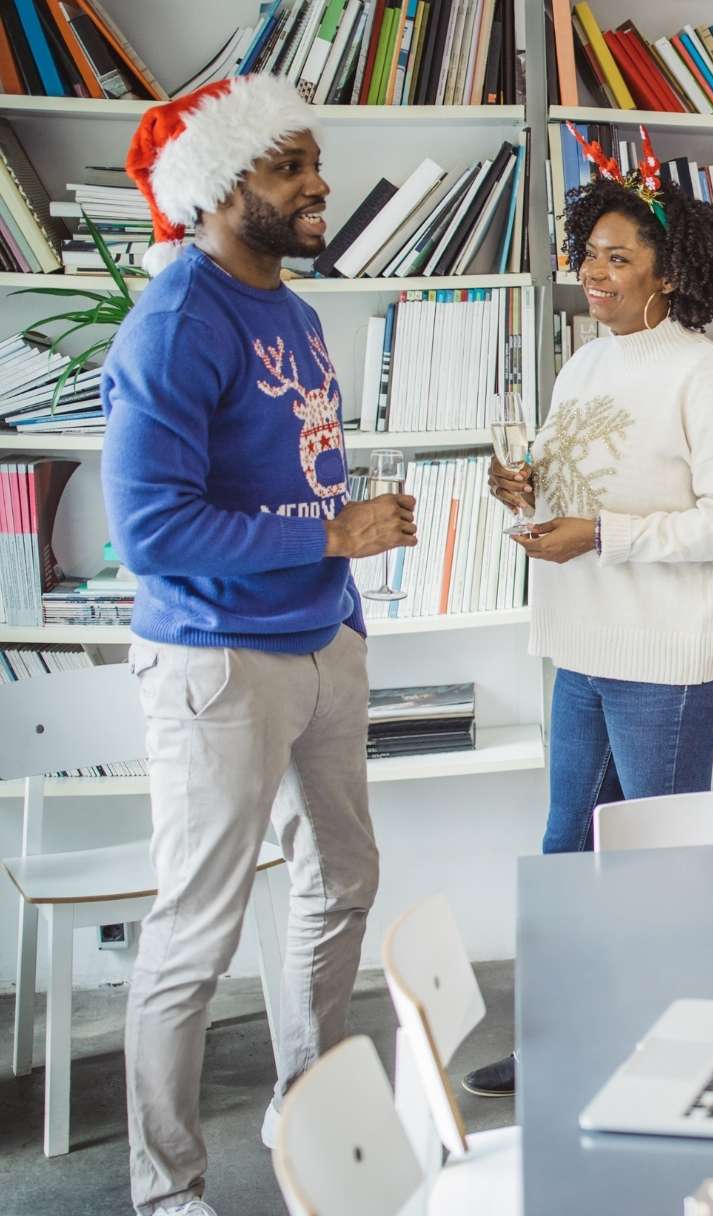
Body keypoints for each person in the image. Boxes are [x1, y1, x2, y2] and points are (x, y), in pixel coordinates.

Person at [101, 76, 414, 1216]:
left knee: (341, 878)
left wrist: (342, 577)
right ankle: (166, 1186)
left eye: (312, 160)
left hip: (322, 638)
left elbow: (290, 471)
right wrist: (329, 531)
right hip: (216, 658)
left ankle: (305, 1104)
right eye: (289, 165)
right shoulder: (177, 319)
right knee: (197, 930)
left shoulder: (291, 308)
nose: (318, 181)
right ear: (223, 185)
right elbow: (148, 527)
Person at [465, 126, 713, 1098]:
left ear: (667, 274)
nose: (592, 270)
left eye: (616, 257)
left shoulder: (703, 370)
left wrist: (603, 535)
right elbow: (570, 488)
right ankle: (564, 1038)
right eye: (589, 251)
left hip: (666, 655)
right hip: (582, 638)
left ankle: (674, 1050)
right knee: (566, 851)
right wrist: (527, 491)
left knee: (657, 866)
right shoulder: (586, 362)